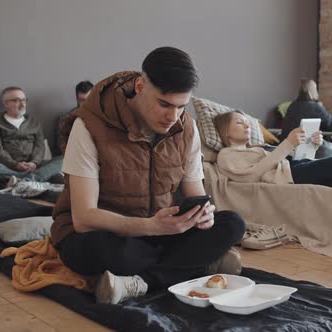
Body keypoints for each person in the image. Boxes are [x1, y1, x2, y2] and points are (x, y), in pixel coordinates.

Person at [51, 47, 246, 305]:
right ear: (140, 86)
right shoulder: (88, 125)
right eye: (164, 104)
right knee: (109, 251)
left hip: (159, 232)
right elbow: (84, 218)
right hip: (105, 234)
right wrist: (150, 227)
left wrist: (203, 215)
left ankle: (140, 283)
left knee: (232, 224)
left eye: (180, 107)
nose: (172, 117)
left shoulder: (186, 128)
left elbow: (195, 193)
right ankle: (196, 266)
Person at [0, 86, 63, 186]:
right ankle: (38, 178)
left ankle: (24, 181)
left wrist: (34, 163)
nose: (22, 104)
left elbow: (40, 147)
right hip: (8, 167)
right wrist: (15, 165)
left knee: (64, 159)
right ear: (6, 103)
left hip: (35, 166)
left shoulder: (34, 122)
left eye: (24, 100)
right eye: (16, 100)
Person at [281, 79, 332, 158]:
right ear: (313, 91)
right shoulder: (315, 107)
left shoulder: (292, 105)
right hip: (305, 145)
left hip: (287, 146)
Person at [54, 81, 94, 155]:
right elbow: (60, 147)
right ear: (77, 100)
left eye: (88, 99)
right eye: (81, 100)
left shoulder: (103, 118)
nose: (85, 104)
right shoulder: (65, 120)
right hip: (75, 156)